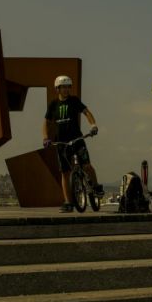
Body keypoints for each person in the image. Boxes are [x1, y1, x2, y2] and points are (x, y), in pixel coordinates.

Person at [42, 76, 104, 213]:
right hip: (61, 143)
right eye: (63, 87)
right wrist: (46, 137)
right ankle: (68, 202)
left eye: (68, 87)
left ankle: (96, 186)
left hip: (77, 139)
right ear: (57, 89)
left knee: (87, 165)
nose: (66, 90)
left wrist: (93, 125)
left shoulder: (74, 101)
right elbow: (46, 122)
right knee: (64, 172)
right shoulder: (53, 105)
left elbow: (86, 112)